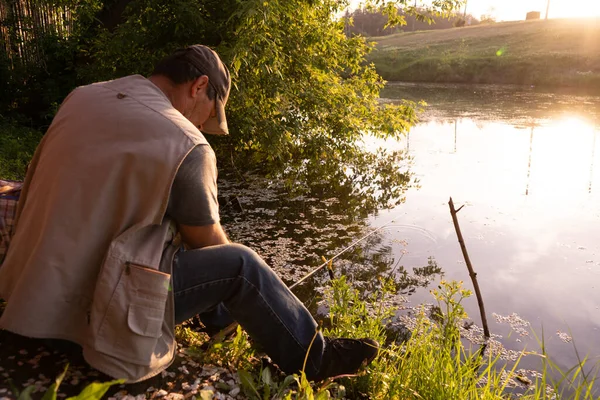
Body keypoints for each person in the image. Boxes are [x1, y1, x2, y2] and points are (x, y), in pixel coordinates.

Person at [0, 45, 378, 383]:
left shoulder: (81, 98)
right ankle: (318, 358)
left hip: (27, 300)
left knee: (158, 234)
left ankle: (216, 325)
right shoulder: (185, 141)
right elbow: (207, 245)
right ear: (199, 86)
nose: (202, 127)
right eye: (208, 115)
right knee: (239, 265)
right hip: (94, 318)